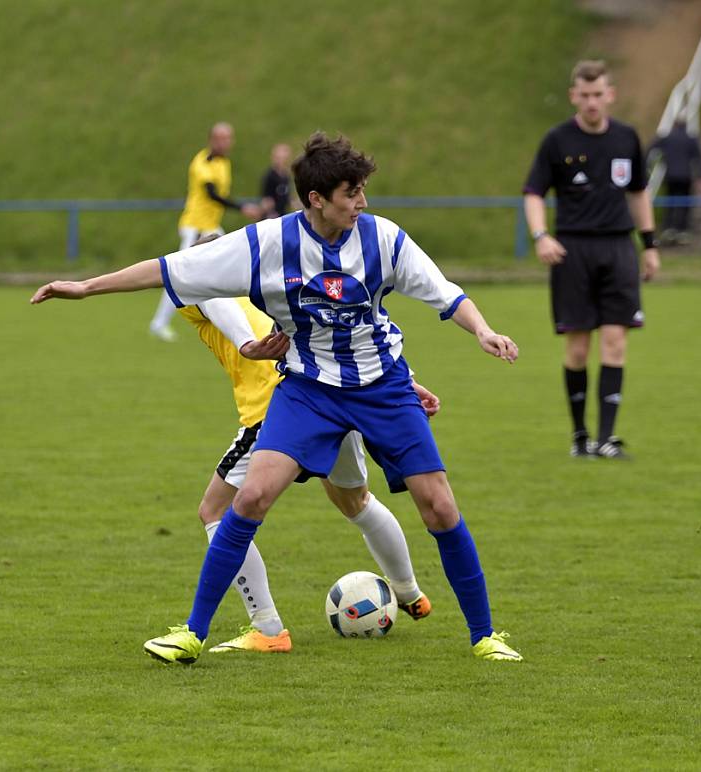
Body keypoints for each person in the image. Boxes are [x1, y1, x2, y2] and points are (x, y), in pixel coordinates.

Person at [31, 131, 524, 663]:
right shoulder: (266, 244)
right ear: (316, 199)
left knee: (439, 507)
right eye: (350, 193)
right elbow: (171, 269)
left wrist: (482, 330)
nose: (362, 202)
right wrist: (85, 287)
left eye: (362, 191)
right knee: (250, 498)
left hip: (383, 387)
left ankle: (485, 637)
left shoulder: (383, 239)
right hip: (308, 392)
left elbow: (445, 293)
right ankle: (193, 634)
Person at [173, 260, 434, 654]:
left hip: (279, 408)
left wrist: (246, 344)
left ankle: (267, 628)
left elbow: (217, 302)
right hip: (331, 392)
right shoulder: (268, 290)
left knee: (214, 510)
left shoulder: (201, 286)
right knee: (355, 501)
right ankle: (410, 592)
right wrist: (405, 380)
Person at [523, 60, 661, 460]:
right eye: (584, 96)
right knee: (579, 349)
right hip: (573, 250)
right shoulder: (557, 140)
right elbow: (533, 192)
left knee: (616, 341)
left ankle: (607, 438)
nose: (592, 102)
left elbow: (638, 192)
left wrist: (649, 244)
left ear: (610, 95)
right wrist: (541, 235)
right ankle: (580, 436)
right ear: (574, 97)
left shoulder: (626, 138)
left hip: (619, 248)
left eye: (598, 94)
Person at [148, 122, 260, 342]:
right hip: (196, 227)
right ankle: (159, 322)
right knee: (177, 273)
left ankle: (239, 317)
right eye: (221, 138)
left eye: (228, 138)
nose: (225, 142)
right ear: (211, 139)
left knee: (232, 263)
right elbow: (212, 194)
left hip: (210, 226)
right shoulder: (202, 162)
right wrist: (243, 208)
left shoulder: (224, 162)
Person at [647, 120, 701, 246]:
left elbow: (651, 148)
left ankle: (669, 228)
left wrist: (646, 166)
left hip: (670, 176)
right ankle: (683, 229)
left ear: (674, 125)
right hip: (686, 176)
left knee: (670, 202)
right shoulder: (690, 139)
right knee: (685, 203)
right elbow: (699, 158)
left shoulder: (667, 138)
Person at [259, 143, 295, 218]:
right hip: (272, 216)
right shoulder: (270, 176)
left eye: (284, 158)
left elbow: (285, 195)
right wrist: (270, 211)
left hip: (283, 215)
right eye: (278, 158)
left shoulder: (286, 176)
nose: (281, 161)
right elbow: (266, 199)